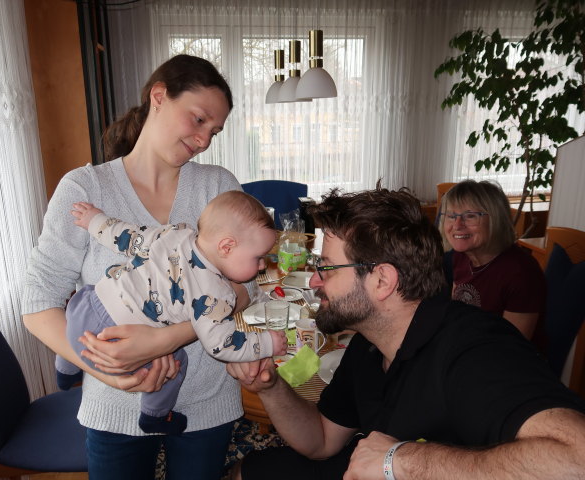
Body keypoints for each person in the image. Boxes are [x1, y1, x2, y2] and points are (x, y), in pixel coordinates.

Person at [227, 187, 585, 480]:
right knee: (249, 470)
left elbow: (577, 460)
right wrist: (271, 388)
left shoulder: (475, 349)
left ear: (382, 280)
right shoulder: (370, 342)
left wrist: (403, 460)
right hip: (375, 462)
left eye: (327, 268)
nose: (315, 280)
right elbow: (321, 441)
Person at [23, 54, 257, 480]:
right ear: (159, 97)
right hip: (115, 408)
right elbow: (38, 298)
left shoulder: (218, 186)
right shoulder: (86, 188)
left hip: (207, 403)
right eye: (199, 120)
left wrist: (166, 339)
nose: (205, 139)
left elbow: (248, 287)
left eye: (215, 131)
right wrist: (108, 372)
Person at [56, 192, 285, 435]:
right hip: (115, 340)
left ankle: (65, 368)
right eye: (258, 258)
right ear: (226, 246)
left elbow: (127, 237)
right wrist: (267, 342)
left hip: (85, 308)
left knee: (92, 287)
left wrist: (94, 220)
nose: (262, 266)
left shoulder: (176, 233)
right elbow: (221, 344)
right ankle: (154, 416)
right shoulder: (217, 293)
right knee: (177, 362)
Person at [439, 179, 545, 340]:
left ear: (496, 219)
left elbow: (512, 347)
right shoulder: (460, 256)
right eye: (451, 216)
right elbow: (456, 313)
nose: (457, 225)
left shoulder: (521, 273)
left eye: (470, 216)